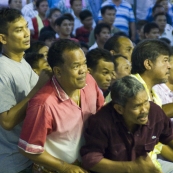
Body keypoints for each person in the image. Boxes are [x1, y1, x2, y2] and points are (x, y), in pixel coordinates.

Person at [18, 39, 104, 173]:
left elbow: (101, 115)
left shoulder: (90, 81)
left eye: (84, 64)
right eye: (76, 66)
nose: (83, 71)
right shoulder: (43, 104)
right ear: (58, 71)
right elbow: (29, 149)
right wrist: (65, 167)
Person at [80, 75, 173, 173]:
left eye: (146, 102)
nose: (144, 110)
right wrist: (131, 168)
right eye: (137, 106)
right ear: (119, 109)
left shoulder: (155, 112)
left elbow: (169, 136)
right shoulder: (101, 122)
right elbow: (90, 160)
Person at [0, 8, 50, 173]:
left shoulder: (22, 62)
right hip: (13, 162)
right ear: (3, 38)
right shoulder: (2, 69)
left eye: (26, 27)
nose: (27, 33)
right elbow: (7, 121)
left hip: (28, 158)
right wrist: (37, 87)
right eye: (18, 30)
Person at [131, 39, 173, 172]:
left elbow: (160, 138)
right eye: (165, 60)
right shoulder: (131, 89)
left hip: (153, 163)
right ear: (148, 64)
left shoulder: (153, 93)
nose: (169, 66)